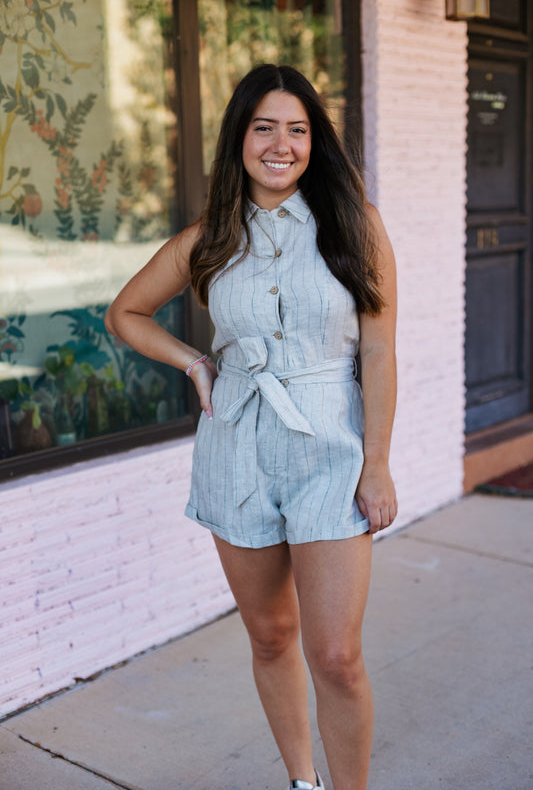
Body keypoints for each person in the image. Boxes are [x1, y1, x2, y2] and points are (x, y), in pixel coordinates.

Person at [106, 63, 397, 790]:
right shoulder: (208, 239)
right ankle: (302, 782)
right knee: (270, 638)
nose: (280, 143)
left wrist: (378, 463)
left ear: (313, 142)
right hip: (235, 448)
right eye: (263, 127)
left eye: (296, 129)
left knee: (335, 655)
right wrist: (193, 363)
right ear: (239, 139)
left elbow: (381, 349)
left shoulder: (354, 223)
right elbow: (125, 313)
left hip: (331, 450)